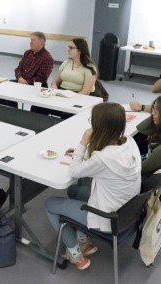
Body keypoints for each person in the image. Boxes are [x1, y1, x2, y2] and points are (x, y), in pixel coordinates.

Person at [45, 102, 141, 270]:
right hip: (127, 213)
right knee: (74, 190)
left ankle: (75, 253)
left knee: (50, 204)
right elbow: (104, 156)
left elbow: (74, 171)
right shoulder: (130, 142)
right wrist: (80, 152)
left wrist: (82, 143)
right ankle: (84, 241)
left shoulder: (101, 159)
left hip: (108, 219)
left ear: (100, 127)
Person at [0, 31, 54, 108]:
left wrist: (26, 82)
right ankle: (13, 110)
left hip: (35, 86)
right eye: (30, 40)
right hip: (21, 81)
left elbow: (42, 78)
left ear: (41, 42)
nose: (31, 42)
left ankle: (14, 111)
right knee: (0, 90)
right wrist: (20, 78)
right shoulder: (28, 53)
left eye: (33, 40)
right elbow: (18, 69)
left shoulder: (47, 58)